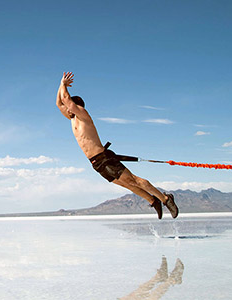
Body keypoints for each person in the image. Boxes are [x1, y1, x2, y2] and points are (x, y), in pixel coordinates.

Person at [56, 72, 178, 219]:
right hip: (96, 163)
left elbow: (66, 99)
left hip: (104, 158)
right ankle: (153, 201)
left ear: (76, 106)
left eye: (69, 107)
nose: (66, 109)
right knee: (127, 185)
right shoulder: (72, 119)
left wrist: (64, 84)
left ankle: (165, 199)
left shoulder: (83, 115)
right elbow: (59, 103)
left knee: (133, 180)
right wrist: (60, 84)